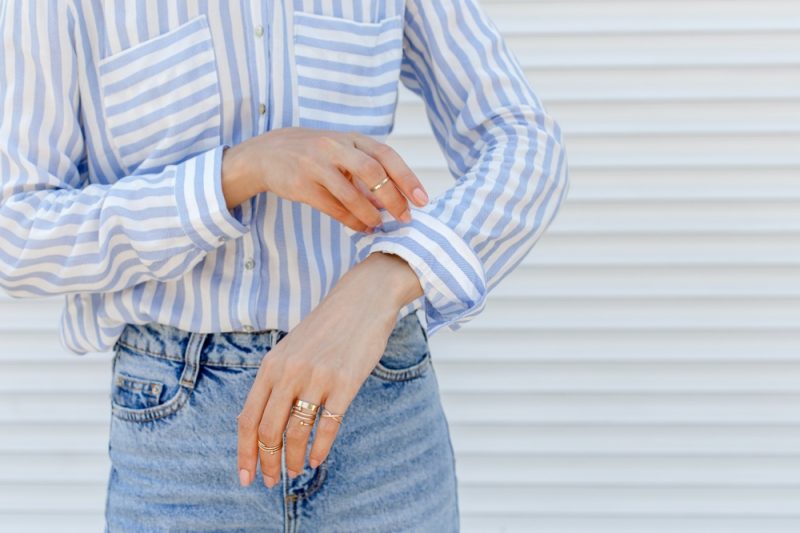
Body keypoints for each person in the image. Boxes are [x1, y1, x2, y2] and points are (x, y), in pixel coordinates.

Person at [0, 0, 568, 531]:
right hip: (178, 441)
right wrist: (237, 172)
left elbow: (524, 140)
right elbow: (16, 232)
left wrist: (387, 277)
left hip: (383, 418)